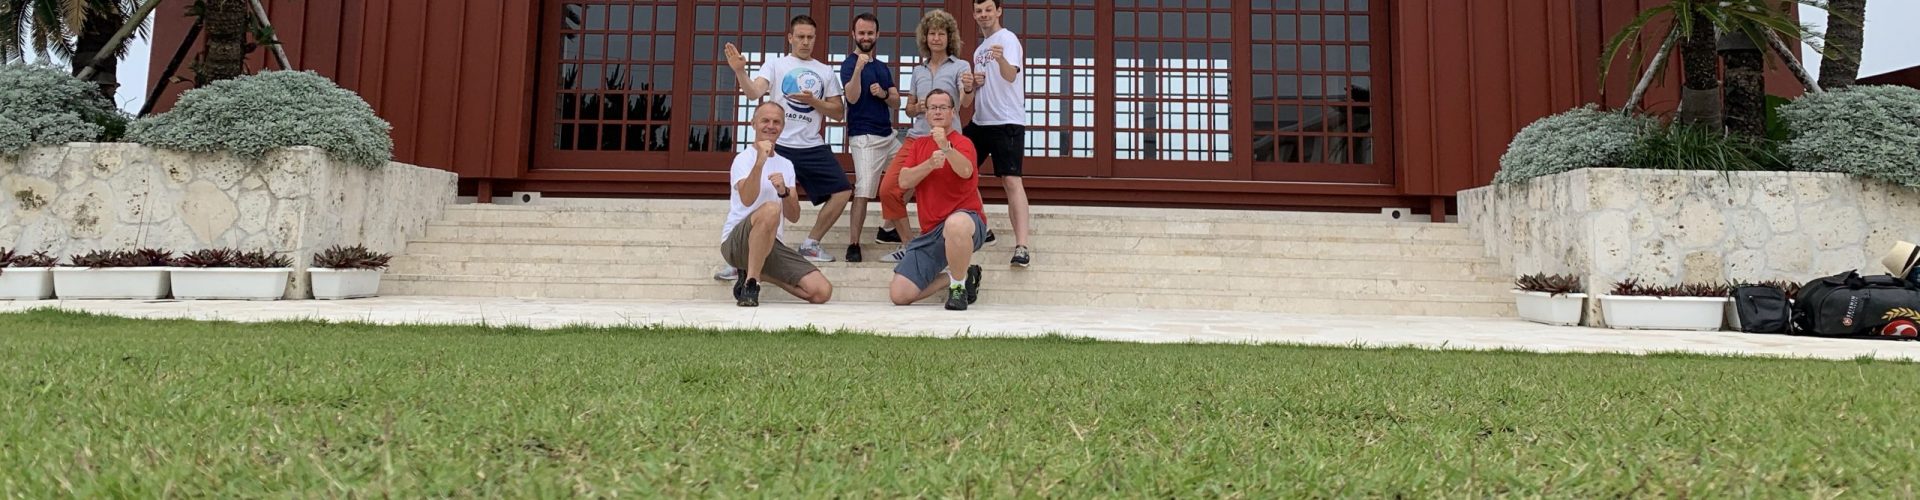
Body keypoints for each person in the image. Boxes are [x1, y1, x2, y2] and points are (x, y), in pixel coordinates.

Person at [724, 15, 851, 263]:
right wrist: (740, 71)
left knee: (843, 191)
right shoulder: (775, 64)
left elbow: (838, 112)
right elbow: (754, 93)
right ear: (790, 38)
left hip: (811, 145)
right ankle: (739, 255)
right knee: (756, 196)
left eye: (810, 37)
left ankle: (811, 244)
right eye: (800, 37)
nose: (805, 42)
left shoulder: (825, 71)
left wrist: (813, 101)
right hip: (778, 145)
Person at [877, 8, 975, 264]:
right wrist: (917, 107)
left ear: (949, 37)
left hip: (948, 141)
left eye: (941, 33)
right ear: (925, 37)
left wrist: (968, 88)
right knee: (888, 189)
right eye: (932, 33)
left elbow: (965, 103)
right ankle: (910, 246)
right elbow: (908, 109)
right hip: (916, 138)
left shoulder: (961, 66)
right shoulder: (918, 70)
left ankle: (951, 245)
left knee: (946, 196)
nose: (936, 38)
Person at [720, 102, 834, 307]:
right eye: (765, 121)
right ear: (753, 123)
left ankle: (758, 273)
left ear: (782, 127)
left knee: (821, 292)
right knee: (771, 209)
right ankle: (751, 284)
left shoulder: (786, 165)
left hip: (771, 244)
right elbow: (747, 198)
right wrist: (760, 162)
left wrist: (784, 191)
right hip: (736, 243)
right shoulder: (742, 159)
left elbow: (794, 216)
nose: (771, 126)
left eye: (776, 122)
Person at [888, 90, 985, 311]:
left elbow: (966, 171)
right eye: (933, 108)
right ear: (926, 114)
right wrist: (929, 164)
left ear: (953, 112)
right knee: (899, 295)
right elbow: (903, 181)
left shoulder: (963, 142)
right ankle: (960, 276)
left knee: (955, 224)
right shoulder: (919, 145)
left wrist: (946, 148)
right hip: (931, 232)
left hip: (967, 222)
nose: (938, 112)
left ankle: (958, 289)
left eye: (943, 107)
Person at [965, 0, 1031, 267]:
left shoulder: (1008, 39)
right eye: (979, 11)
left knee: (1011, 181)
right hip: (980, 121)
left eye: (988, 10)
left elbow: (1011, 75)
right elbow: (977, 91)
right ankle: (984, 227)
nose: (984, 15)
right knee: (959, 169)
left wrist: (1001, 58)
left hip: (1006, 121)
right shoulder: (979, 50)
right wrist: (973, 83)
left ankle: (1022, 246)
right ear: (974, 15)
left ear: (999, 11)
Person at [839, 12, 902, 263]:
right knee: (864, 190)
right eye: (861, 33)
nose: (866, 37)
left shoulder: (882, 67)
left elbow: (896, 102)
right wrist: (858, 69)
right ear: (854, 35)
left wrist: (884, 93)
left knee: (911, 175)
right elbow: (852, 97)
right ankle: (853, 244)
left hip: (888, 136)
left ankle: (888, 227)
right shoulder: (848, 64)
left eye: (870, 33)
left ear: (877, 35)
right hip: (863, 137)